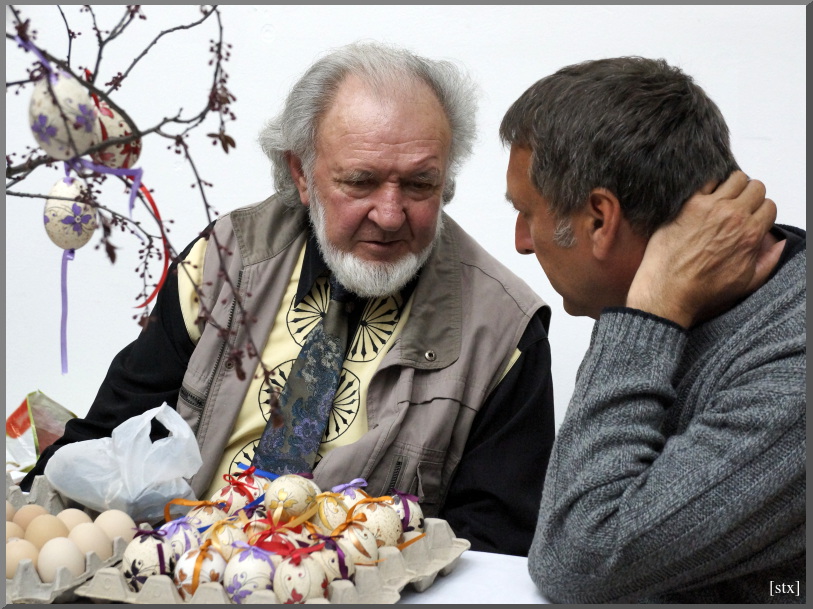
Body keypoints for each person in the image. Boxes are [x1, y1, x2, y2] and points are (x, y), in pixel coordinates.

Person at [21, 42, 557, 557]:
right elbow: (108, 435)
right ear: (301, 173)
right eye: (361, 181)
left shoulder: (504, 334)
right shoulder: (223, 261)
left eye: (420, 184)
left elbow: (489, 557)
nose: (391, 215)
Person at [500, 56, 805, 602]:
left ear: (600, 218)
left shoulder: (792, 364)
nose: (521, 242)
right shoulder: (672, 309)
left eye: (528, 212)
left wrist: (649, 316)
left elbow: (578, 560)